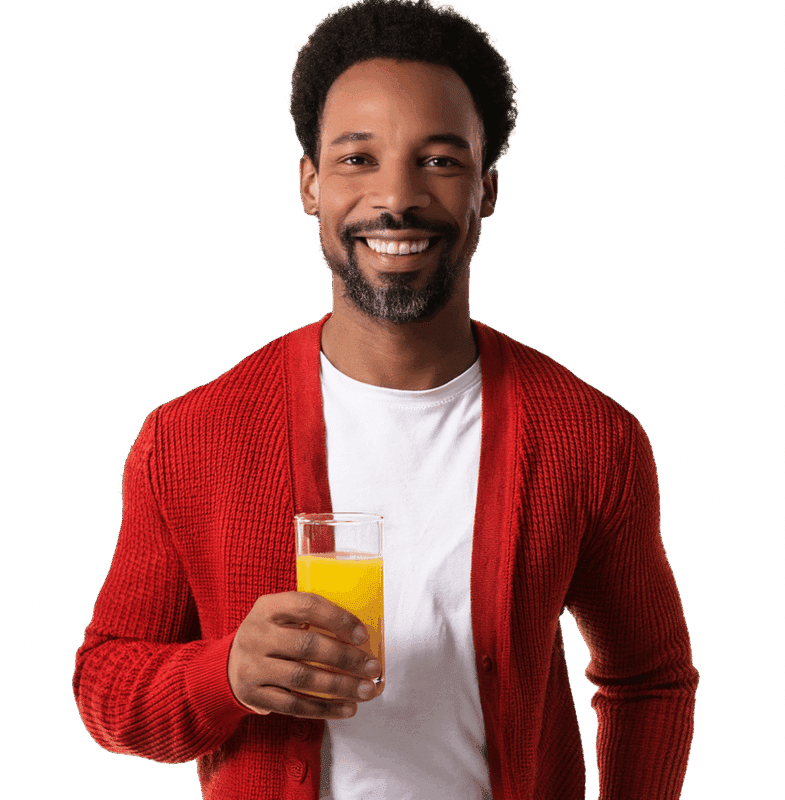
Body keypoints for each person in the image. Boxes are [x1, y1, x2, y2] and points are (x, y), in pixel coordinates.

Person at [73, 0, 700, 798]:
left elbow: (651, 679)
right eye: (357, 159)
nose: (395, 198)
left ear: (488, 188)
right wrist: (222, 671)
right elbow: (108, 688)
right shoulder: (190, 437)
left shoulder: (588, 435)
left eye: (439, 160)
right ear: (310, 183)